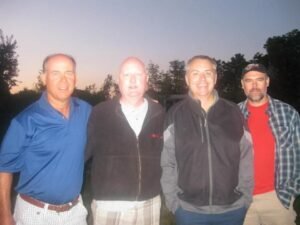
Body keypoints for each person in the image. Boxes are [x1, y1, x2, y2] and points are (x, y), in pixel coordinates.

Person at [161, 55, 253, 225]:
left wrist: (245, 198)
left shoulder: (234, 112)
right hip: (188, 211)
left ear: (215, 77)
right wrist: (174, 203)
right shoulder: (174, 114)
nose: (202, 79)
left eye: (208, 73)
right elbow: (168, 163)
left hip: (232, 210)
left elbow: (246, 158)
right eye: (195, 73)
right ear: (187, 79)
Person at [0, 53, 91, 225]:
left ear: (76, 78)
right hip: (34, 214)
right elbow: (3, 168)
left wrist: (144, 102)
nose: (63, 80)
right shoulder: (25, 120)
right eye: (55, 73)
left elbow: (113, 116)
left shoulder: (86, 111)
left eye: (69, 73)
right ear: (44, 78)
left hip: (75, 214)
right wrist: (4, 215)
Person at [85, 57, 165, 225]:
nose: (133, 81)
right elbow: (80, 154)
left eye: (138, 75)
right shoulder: (100, 113)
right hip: (109, 206)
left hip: (149, 203)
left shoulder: (160, 113)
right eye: (127, 75)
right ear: (118, 80)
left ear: (146, 80)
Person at [238, 63, 300, 225]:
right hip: (242, 199)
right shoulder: (233, 115)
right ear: (242, 84)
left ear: (267, 82)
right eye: (249, 80)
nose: (254, 85)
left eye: (259, 80)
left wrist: (292, 190)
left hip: (277, 198)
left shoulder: (288, 113)